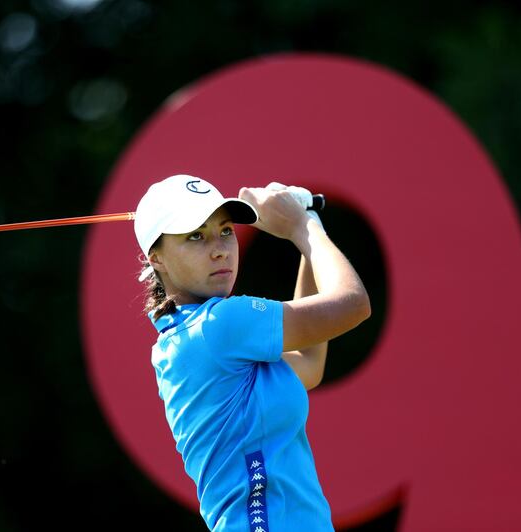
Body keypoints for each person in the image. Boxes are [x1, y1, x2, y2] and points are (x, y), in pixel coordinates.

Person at [132, 174, 371, 532]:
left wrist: (305, 226)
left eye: (225, 230)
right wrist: (303, 227)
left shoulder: (194, 337)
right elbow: (353, 305)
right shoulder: (220, 326)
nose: (219, 248)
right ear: (157, 258)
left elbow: (308, 362)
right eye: (195, 235)